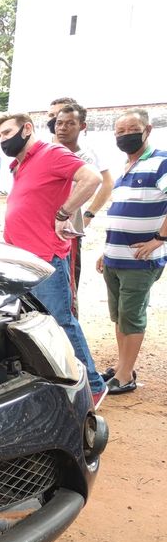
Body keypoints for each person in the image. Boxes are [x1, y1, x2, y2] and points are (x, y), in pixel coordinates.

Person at [0, 112, 107, 404]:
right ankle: (58, 381)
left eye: (7, 133)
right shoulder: (19, 164)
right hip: (22, 259)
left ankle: (92, 386)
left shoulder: (51, 153)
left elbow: (91, 178)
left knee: (61, 322)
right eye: (0, 136)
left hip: (46, 258)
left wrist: (64, 211)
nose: (3, 140)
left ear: (27, 128)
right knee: (35, 325)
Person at [96, 109, 167, 395]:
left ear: (147, 129)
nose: (125, 135)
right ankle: (122, 365)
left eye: (132, 129)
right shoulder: (125, 167)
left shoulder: (160, 162)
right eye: (120, 131)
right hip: (114, 258)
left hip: (140, 261)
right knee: (119, 316)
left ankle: (125, 376)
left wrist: (159, 239)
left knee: (132, 316)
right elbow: (120, 215)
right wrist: (105, 251)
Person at [53, 102, 114, 312]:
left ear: (82, 126)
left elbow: (104, 183)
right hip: (39, 229)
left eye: (70, 123)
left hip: (66, 232)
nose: (62, 127)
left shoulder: (85, 158)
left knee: (67, 285)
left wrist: (88, 215)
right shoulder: (45, 151)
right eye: (59, 122)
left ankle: (70, 329)